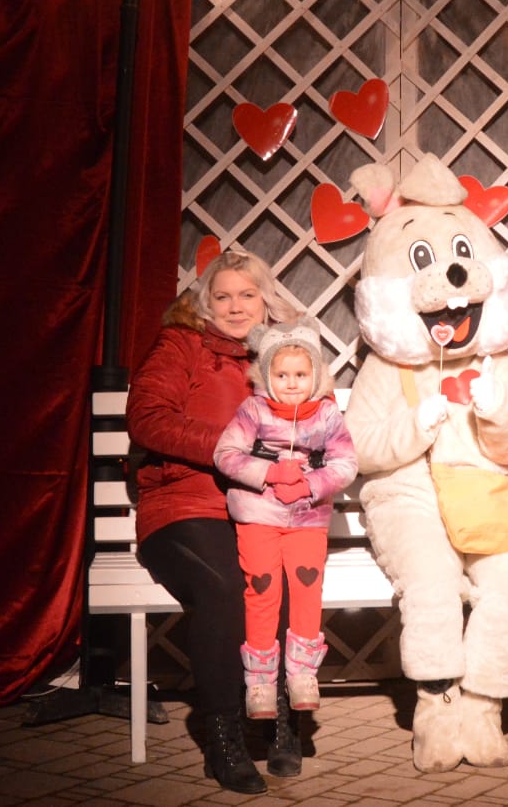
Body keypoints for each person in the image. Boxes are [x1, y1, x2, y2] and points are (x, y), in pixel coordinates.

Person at [126, 248, 301, 795]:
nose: (235, 306)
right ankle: (223, 737)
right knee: (226, 586)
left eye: (247, 295)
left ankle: (279, 716)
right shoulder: (182, 345)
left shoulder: (283, 354)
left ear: (265, 300)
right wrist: (233, 450)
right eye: (222, 296)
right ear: (205, 302)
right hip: (184, 504)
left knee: (280, 575)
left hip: (260, 508)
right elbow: (147, 418)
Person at [214, 322, 358, 720]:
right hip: (259, 514)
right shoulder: (254, 410)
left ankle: (302, 674)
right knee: (262, 588)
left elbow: (346, 462)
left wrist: (311, 484)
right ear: (267, 377)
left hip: (307, 517)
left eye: (300, 374)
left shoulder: (326, 414)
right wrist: (269, 473)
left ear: (315, 376)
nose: (292, 384)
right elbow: (225, 454)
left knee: (307, 587)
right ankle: (260, 681)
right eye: (281, 375)